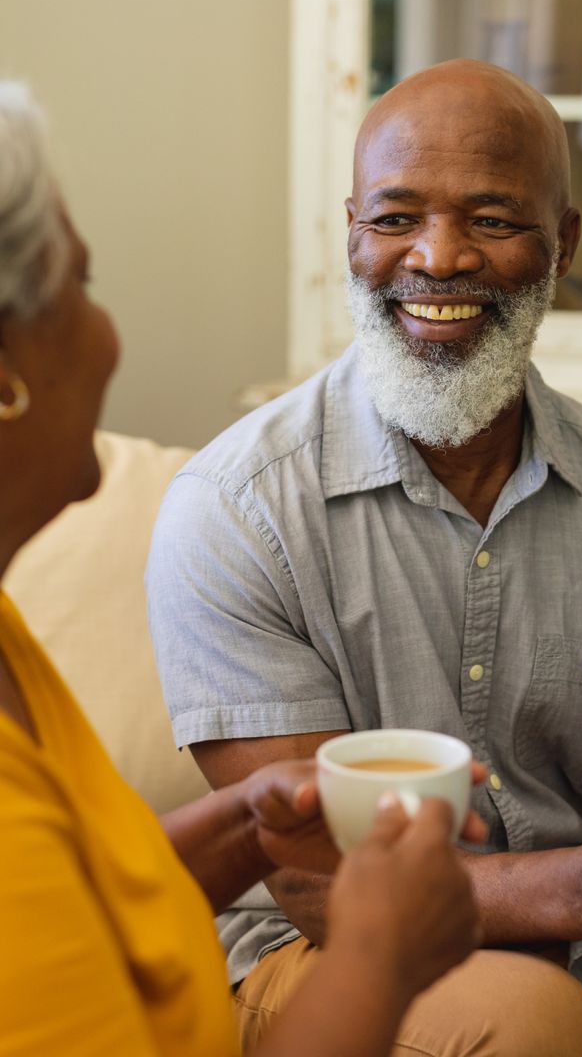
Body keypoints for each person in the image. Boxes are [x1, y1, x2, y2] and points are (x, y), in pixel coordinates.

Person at [147, 59, 582, 1057]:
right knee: (529, 1022)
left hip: (581, 939)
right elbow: (320, 887)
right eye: (396, 216)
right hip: (320, 956)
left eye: (492, 219)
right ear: (354, 232)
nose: (439, 258)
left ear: (562, 244)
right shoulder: (236, 508)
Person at [0, 80, 485, 1057]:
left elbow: (81, 897)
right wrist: (382, 955)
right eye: (84, 288)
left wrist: (249, 830)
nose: (110, 340)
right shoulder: (245, 499)